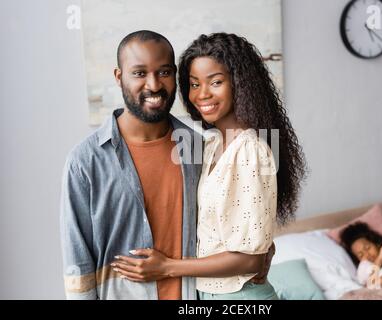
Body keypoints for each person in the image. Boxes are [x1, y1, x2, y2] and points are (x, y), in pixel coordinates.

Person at [60, 30, 272, 300]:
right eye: (139, 73)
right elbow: (77, 259)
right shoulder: (85, 161)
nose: (154, 85)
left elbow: (230, 222)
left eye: (164, 72)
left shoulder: (199, 146)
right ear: (118, 77)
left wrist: (260, 250)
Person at [112, 33, 307, 300]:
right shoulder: (212, 144)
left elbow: (250, 261)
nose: (202, 94)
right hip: (208, 294)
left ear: (240, 83)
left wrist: (167, 267)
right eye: (194, 84)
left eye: (215, 82)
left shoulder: (250, 149)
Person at [340, 222, 382, 287]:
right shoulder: (373, 270)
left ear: (376, 243)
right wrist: (379, 261)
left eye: (367, 248)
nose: (367, 255)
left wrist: (368, 288)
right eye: (361, 255)